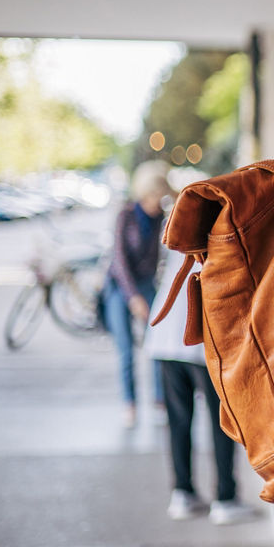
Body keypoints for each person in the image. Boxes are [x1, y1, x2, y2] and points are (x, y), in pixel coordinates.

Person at [148, 242, 259, 525]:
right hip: (204, 339)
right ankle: (225, 498)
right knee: (222, 421)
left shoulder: (181, 217)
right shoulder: (223, 226)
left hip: (166, 336)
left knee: (179, 422)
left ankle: (183, 493)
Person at [102, 159, 171, 428]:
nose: (159, 200)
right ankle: (129, 403)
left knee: (157, 343)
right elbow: (118, 260)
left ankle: (159, 400)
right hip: (121, 286)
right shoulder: (126, 214)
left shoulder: (160, 218)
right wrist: (133, 298)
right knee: (126, 349)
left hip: (146, 283)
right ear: (144, 192)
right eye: (156, 194)